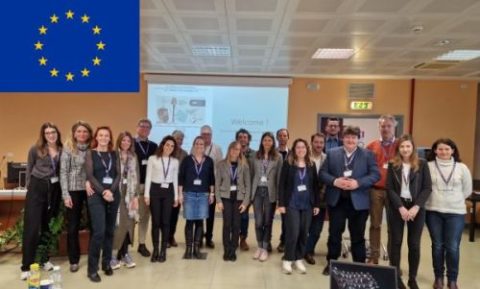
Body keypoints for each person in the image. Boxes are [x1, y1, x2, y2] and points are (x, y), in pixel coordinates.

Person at [319, 126, 380, 275]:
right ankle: (331, 263)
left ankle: (359, 266)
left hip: (358, 202)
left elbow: (375, 175)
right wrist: (334, 181)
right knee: (334, 234)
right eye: (348, 137)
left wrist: (358, 183)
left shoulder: (368, 155)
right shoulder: (332, 153)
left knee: (358, 236)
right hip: (337, 201)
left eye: (353, 137)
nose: (350, 140)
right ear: (343, 138)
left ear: (358, 139)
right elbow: (322, 174)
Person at [385, 134, 432, 289]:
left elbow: (427, 188)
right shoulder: (393, 165)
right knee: (395, 242)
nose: (405, 149)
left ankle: (412, 278)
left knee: (414, 244)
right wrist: (400, 207)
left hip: (416, 207)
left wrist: (416, 207)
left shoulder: (422, 164)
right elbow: (390, 188)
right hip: (397, 206)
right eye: (402, 146)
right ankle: (396, 277)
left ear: (413, 147)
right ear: (398, 149)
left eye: (408, 146)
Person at [425, 138, 472, 289]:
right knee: (437, 246)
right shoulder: (428, 166)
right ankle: (438, 277)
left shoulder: (461, 167)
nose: (443, 152)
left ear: (453, 150)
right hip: (433, 211)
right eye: (440, 149)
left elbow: (467, 190)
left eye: (447, 149)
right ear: (435, 151)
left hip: (455, 212)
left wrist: (453, 200)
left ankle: (452, 279)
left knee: (452, 247)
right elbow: (424, 187)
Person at [21, 123, 63, 281]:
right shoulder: (35, 149)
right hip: (37, 188)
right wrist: (30, 188)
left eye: (53, 132)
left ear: (57, 133)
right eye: (47, 133)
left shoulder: (61, 150)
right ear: (43, 135)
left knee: (48, 226)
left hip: (54, 189)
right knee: (32, 227)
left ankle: (44, 259)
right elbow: (29, 169)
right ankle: (26, 266)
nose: (51, 135)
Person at [278, 138, 320, 274]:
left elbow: (315, 186)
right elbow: (282, 185)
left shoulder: (311, 164)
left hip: (307, 204)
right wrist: (281, 204)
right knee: (293, 232)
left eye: (303, 147)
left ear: (307, 149)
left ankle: (299, 258)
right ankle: (287, 259)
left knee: (303, 233)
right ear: (294, 150)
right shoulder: (288, 164)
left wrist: (317, 204)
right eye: (298, 147)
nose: (301, 149)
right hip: (292, 204)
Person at [84, 126, 121, 282]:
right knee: (99, 232)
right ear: (96, 138)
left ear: (110, 138)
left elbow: (119, 174)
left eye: (107, 135)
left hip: (113, 195)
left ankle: (106, 264)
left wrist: (111, 191)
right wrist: (103, 192)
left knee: (110, 231)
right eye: (101, 135)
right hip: (97, 196)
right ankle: (92, 269)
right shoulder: (90, 153)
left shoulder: (115, 154)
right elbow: (90, 176)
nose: (104, 138)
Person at [60, 121, 93, 273]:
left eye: (85, 131)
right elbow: (63, 173)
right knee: (73, 226)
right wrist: (66, 194)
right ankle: (74, 259)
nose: (82, 134)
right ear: (74, 133)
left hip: (91, 189)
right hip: (73, 191)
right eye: (79, 131)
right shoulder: (68, 149)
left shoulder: (93, 148)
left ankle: (94, 256)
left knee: (94, 224)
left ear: (89, 134)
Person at [366, 114, 399, 264]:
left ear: (394, 127)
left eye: (389, 126)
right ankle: (374, 256)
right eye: (383, 126)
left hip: (394, 191)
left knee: (393, 226)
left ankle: (393, 258)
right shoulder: (371, 146)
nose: (386, 129)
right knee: (375, 224)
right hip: (375, 190)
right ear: (379, 127)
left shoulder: (401, 145)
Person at [178, 136, 215, 259]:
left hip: (204, 194)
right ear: (194, 145)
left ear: (205, 147)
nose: (199, 146)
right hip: (189, 194)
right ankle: (189, 248)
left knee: (200, 221)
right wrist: (180, 194)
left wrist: (212, 193)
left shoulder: (209, 161)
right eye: (197, 143)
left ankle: (197, 248)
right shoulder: (187, 160)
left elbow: (211, 179)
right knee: (189, 221)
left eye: (202, 144)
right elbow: (181, 178)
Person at [144, 135, 179, 262]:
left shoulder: (175, 161)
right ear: (162, 145)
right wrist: (146, 195)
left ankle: (163, 251)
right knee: (156, 222)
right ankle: (156, 250)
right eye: (167, 145)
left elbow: (175, 179)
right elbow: (148, 177)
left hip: (168, 192)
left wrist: (176, 197)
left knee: (166, 222)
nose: (169, 147)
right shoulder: (153, 159)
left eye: (172, 146)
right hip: (155, 191)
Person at [215, 141, 251, 261]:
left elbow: (248, 186)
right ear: (229, 149)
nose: (235, 151)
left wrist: (245, 203)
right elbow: (217, 184)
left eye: (238, 149)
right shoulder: (221, 164)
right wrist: (218, 200)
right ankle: (227, 249)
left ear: (240, 151)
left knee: (236, 225)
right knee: (227, 224)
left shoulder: (244, 165)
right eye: (233, 149)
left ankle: (233, 249)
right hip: (225, 198)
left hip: (239, 198)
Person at [251, 132, 282, 262]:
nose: (267, 142)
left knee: (267, 221)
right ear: (262, 141)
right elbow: (252, 174)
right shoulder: (255, 156)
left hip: (270, 192)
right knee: (258, 221)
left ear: (273, 142)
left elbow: (279, 178)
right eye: (265, 140)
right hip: (258, 191)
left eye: (270, 140)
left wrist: (280, 199)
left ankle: (265, 248)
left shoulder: (278, 157)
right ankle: (259, 246)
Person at [110, 131, 139, 269]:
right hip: (117, 193)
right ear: (119, 141)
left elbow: (137, 178)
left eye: (128, 141)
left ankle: (125, 253)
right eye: (123, 140)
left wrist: (135, 197)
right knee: (118, 225)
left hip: (130, 193)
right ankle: (112, 255)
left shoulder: (133, 157)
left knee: (129, 224)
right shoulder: (113, 156)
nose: (126, 143)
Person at [134, 118, 158, 257]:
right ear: (137, 127)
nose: (144, 129)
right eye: (142, 126)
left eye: (148, 127)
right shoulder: (129, 143)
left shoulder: (154, 146)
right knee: (129, 216)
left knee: (144, 216)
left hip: (148, 185)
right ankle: (123, 246)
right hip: (132, 185)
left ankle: (141, 243)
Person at [304, 133, 327, 265]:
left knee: (316, 229)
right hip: (305, 198)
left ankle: (308, 251)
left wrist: (319, 197)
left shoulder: (327, 158)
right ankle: (303, 250)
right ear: (311, 143)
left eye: (321, 143)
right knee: (303, 227)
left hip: (322, 199)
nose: (318, 145)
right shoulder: (304, 157)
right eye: (316, 142)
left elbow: (327, 180)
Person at [200, 125, 223, 248]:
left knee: (210, 213)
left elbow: (220, 168)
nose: (205, 137)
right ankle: (198, 237)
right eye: (203, 134)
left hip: (211, 186)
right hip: (198, 186)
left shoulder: (217, 148)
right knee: (199, 213)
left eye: (208, 134)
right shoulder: (195, 147)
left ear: (211, 136)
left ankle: (209, 237)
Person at [235, 128, 255, 251]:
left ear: (249, 139)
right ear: (237, 138)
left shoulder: (254, 154)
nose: (243, 139)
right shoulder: (233, 152)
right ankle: (234, 238)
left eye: (245, 137)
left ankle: (243, 239)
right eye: (240, 137)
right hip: (234, 189)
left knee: (244, 216)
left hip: (248, 190)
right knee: (234, 216)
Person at [169, 130, 188, 248]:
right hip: (165, 188)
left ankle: (171, 237)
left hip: (178, 189)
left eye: (181, 139)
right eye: (177, 138)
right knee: (165, 215)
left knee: (174, 214)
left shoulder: (185, 154)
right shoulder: (166, 151)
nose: (179, 141)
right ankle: (165, 237)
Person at [276, 128, 289, 253]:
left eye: (285, 135)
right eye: (280, 135)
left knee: (286, 219)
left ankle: (284, 241)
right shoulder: (273, 153)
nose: (282, 137)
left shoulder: (292, 153)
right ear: (277, 138)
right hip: (274, 190)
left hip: (287, 192)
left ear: (288, 138)